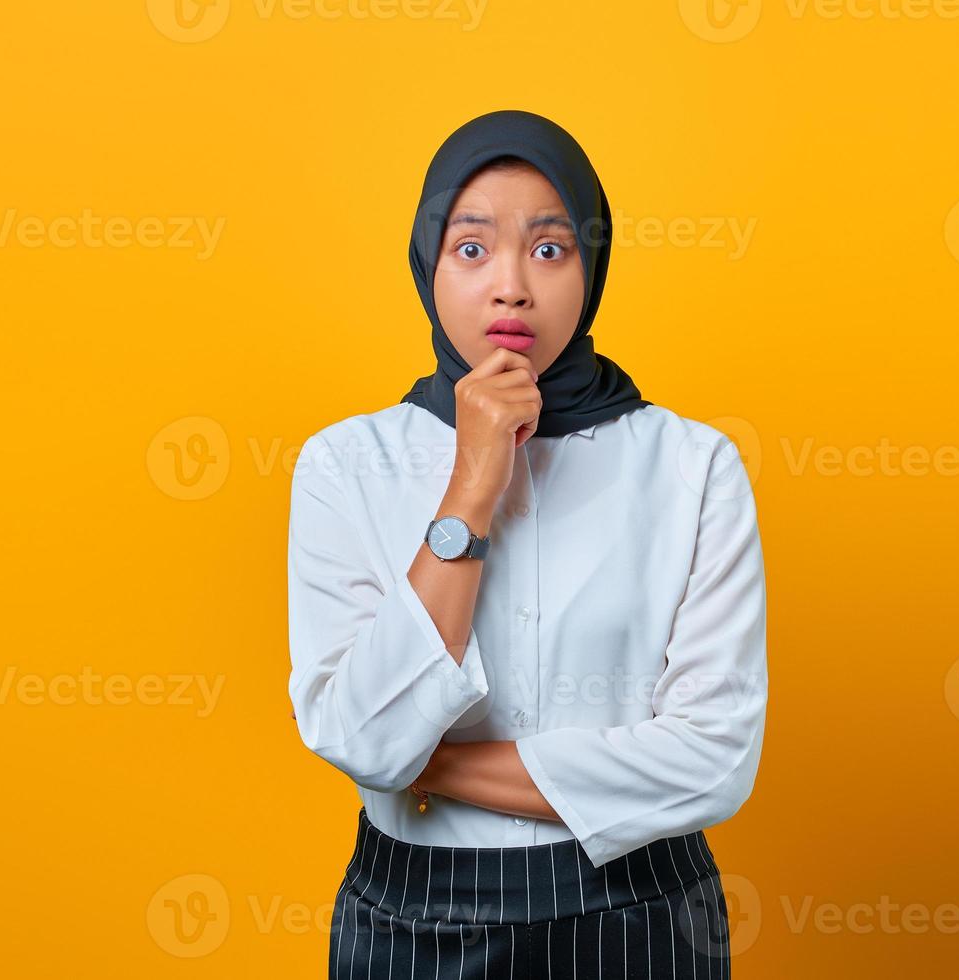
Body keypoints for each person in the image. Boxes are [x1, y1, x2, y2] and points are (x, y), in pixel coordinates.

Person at [287, 108, 768, 979]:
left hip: (640, 920)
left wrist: (419, 763)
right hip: (410, 921)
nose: (511, 287)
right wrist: (471, 486)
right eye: (472, 249)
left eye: (549, 250)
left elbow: (713, 763)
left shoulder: (692, 464)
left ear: (592, 269)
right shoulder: (344, 465)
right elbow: (356, 734)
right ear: (427, 264)